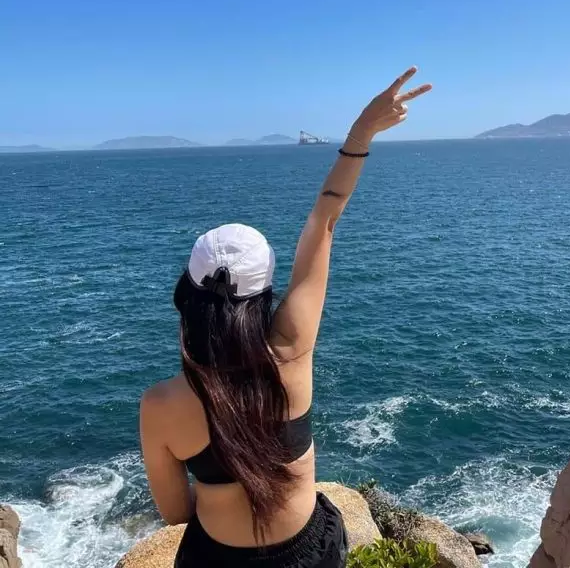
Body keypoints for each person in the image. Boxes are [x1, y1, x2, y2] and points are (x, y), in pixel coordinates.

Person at [140, 67, 432, 568]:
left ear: (188, 293)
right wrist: (361, 132)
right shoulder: (292, 351)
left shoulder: (161, 404)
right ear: (263, 295)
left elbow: (176, 514)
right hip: (308, 553)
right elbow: (325, 222)